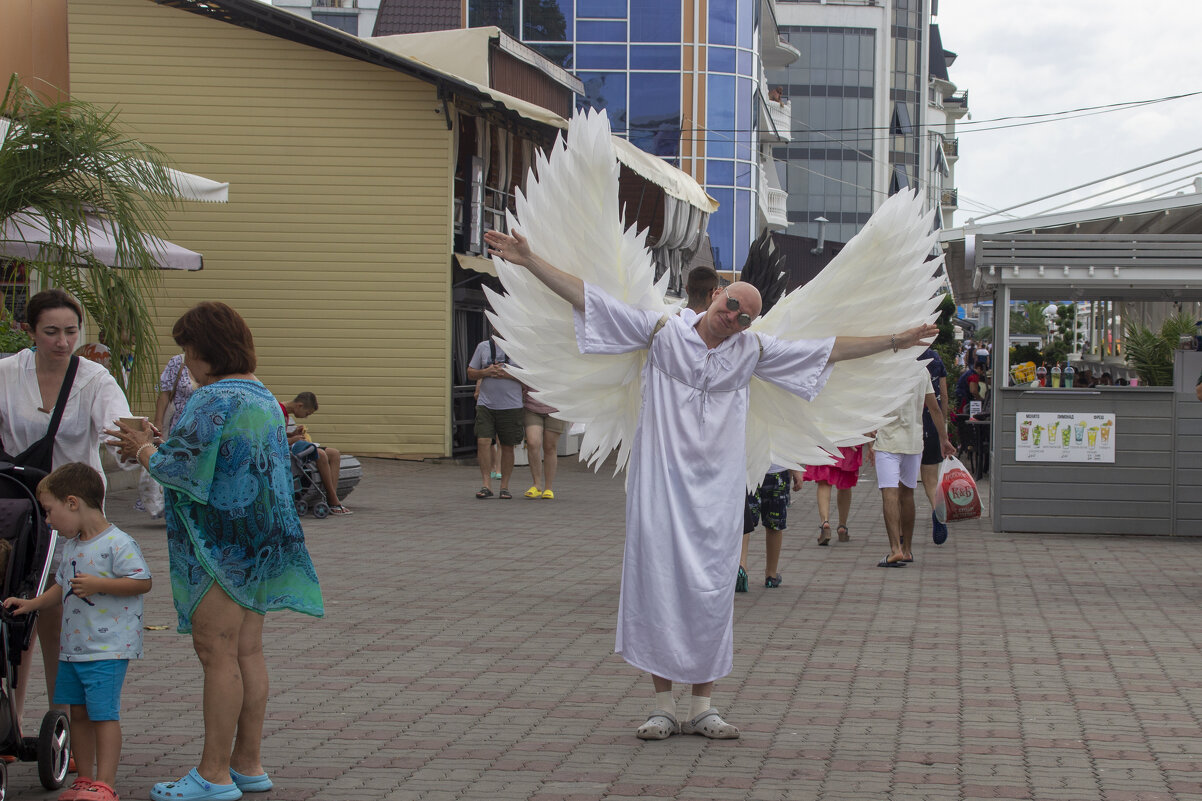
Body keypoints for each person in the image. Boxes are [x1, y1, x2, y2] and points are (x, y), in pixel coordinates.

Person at [483, 227, 939, 741]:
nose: (735, 320)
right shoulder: (661, 332)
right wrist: (528, 258)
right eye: (731, 306)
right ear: (716, 294)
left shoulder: (752, 351)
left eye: (746, 317)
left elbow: (829, 350)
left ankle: (702, 706)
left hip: (718, 493)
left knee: (711, 592)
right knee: (657, 587)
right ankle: (661, 706)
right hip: (661, 487)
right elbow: (589, 298)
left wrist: (899, 340)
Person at [107, 301, 323, 801]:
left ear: (206, 349)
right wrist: (161, 443)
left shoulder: (212, 397)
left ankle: (213, 774)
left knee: (217, 653)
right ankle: (247, 764)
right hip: (261, 544)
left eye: (187, 349)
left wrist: (142, 446)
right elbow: (216, 458)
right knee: (248, 651)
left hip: (217, 547)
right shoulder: (262, 395)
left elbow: (178, 471)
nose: (185, 361)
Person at [0, 289, 134, 729]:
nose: (62, 341)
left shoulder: (95, 379)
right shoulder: (7, 372)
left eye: (71, 331)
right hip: (18, 510)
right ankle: (11, 722)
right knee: (15, 620)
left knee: (63, 626)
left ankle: (65, 725)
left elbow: (117, 426)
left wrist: (134, 440)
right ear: (29, 330)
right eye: (51, 332)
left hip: (72, 514)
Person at [3, 462, 152, 801]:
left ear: (73, 503)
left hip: (107, 649)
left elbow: (142, 581)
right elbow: (61, 587)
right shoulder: (71, 545)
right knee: (79, 714)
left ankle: (106, 782)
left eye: (49, 511)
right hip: (73, 649)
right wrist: (33, 604)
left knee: (103, 714)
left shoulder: (117, 542)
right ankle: (84, 777)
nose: (47, 521)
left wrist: (100, 584)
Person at [868, 372, 955, 567]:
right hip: (914, 441)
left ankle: (894, 550)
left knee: (889, 493)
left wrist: (867, 429)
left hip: (887, 441)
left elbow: (868, 402)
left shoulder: (884, 369)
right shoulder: (921, 371)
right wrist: (944, 439)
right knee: (907, 494)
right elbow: (934, 408)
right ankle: (907, 550)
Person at [467, 337, 523, 499]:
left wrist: (508, 374)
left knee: (507, 446)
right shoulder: (483, 346)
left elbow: (530, 376)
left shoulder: (519, 347)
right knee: (483, 441)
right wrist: (485, 372)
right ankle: (486, 484)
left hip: (511, 405)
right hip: (486, 404)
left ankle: (504, 487)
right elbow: (470, 372)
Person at [281, 392, 352, 515]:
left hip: (290, 445)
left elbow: (280, 433)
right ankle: (334, 501)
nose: (306, 417)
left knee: (334, 453)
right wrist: (292, 440)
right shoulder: (278, 411)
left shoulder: (285, 412)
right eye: (307, 413)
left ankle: (332, 497)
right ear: (299, 405)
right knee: (321, 454)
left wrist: (292, 434)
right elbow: (271, 438)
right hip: (284, 451)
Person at [738, 466, 802, 591]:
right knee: (775, 523)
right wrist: (796, 471)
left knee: (745, 522)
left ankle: (742, 567)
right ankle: (771, 576)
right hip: (777, 472)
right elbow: (788, 446)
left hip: (749, 472)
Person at [917, 347, 951, 545]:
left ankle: (901, 532)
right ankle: (936, 510)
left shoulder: (905, 355)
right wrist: (943, 427)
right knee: (930, 478)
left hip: (908, 424)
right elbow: (943, 395)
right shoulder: (936, 358)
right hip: (931, 422)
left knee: (901, 484)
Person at [802, 445, 863, 545]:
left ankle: (825, 523)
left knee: (824, 481)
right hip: (848, 437)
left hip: (827, 436)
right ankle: (842, 527)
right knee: (845, 480)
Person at [522, 384, 563, 499]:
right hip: (532, 407)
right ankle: (537, 484)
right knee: (532, 442)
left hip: (556, 409)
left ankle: (548, 488)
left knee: (550, 447)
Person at [152, 353, 194, 435]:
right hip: (177, 425)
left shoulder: (215, 364)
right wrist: (158, 424)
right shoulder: (178, 361)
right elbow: (164, 393)